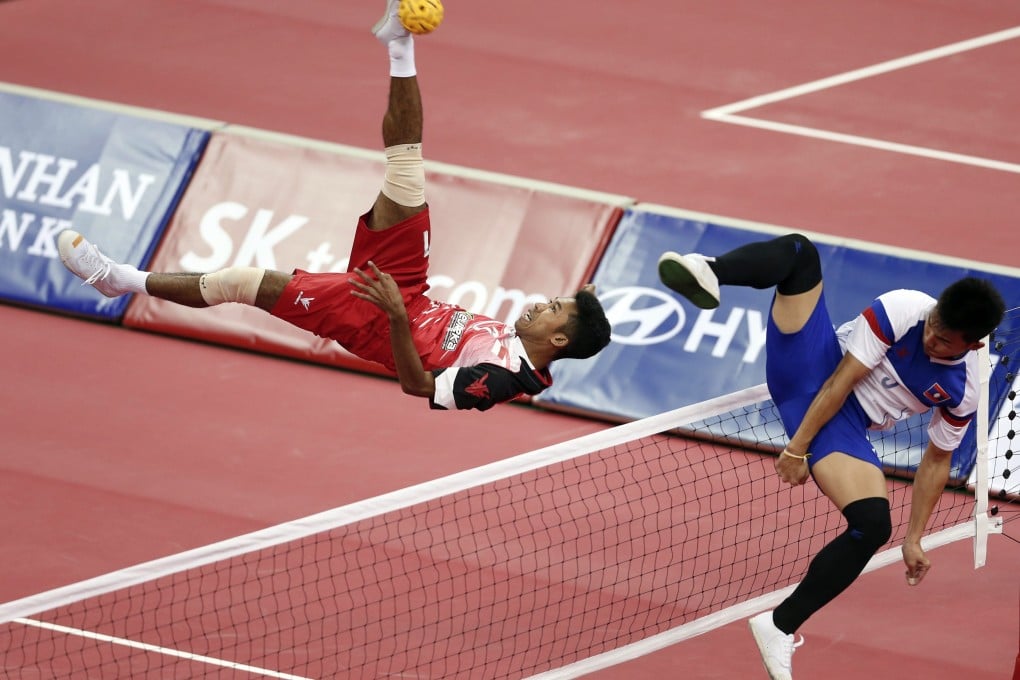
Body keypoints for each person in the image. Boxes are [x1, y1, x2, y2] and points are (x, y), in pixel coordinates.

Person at [57, 1, 612, 412]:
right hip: (407, 290)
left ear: (557, 341)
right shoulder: (526, 340)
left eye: (554, 311)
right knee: (408, 171)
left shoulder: (503, 380)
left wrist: (395, 314)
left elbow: (419, 387)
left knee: (243, 282)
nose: (542, 304)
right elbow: (580, 317)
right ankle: (400, 43)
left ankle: (117, 279)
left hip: (374, 318)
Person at [657, 234, 1005, 680]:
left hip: (845, 427)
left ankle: (779, 625)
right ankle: (710, 269)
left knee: (874, 524)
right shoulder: (905, 309)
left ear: (972, 346)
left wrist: (914, 537)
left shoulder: (965, 390)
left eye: (943, 342)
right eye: (933, 326)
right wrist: (794, 448)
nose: (931, 338)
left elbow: (937, 460)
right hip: (812, 368)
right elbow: (840, 381)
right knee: (801, 254)